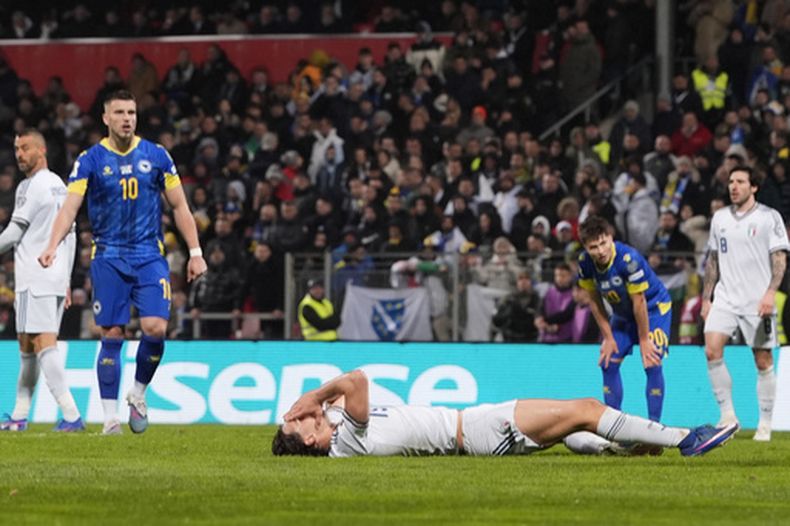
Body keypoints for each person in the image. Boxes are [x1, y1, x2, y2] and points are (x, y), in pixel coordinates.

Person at [38, 90, 207, 435]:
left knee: (156, 329)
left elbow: (179, 207)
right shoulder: (89, 160)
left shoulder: (157, 156)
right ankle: (110, 418)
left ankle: (139, 393)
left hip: (149, 255)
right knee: (112, 333)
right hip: (109, 255)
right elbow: (70, 207)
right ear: (106, 118)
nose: (127, 118)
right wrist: (52, 245)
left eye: (131, 112)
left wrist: (195, 252)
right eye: (119, 112)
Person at [271, 370, 738, 458]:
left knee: (573, 424)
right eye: (298, 420)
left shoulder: (340, 433)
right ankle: (684, 440)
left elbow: (343, 397)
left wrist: (319, 406)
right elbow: (354, 380)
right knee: (586, 408)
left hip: (472, 428)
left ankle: (623, 448)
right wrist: (315, 394)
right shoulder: (347, 439)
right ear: (311, 438)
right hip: (474, 430)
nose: (302, 412)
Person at [0, 129, 83, 432]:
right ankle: (20, 416)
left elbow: (13, 233)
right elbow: (71, 235)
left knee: (43, 343)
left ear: (41, 151)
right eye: (16, 148)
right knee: (27, 346)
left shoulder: (30, 186)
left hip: (34, 276)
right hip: (54, 276)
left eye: (25, 148)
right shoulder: (59, 186)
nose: (19, 154)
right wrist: (67, 277)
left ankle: (72, 414)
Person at [701, 166, 789, 442]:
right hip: (726, 298)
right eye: (730, 182)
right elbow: (713, 261)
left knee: (762, 360)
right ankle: (728, 416)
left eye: (740, 182)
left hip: (757, 301)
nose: (733, 186)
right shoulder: (720, 218)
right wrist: (707, 298)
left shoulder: (768, 217)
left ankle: (764, 423)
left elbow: (780, 260)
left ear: (754, 187)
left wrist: (769, 294)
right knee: (711, 350)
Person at [577, 216, 672, 422]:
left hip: (654, 309)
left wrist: (645, 340)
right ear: (585, 247)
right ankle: (614, 427)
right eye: (594, 247)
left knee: (651, 361)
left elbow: (639, 302)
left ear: (611, 237)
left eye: (603, 243)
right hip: (623, 315)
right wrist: (608, 337)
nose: (601, 251)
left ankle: (654, 428)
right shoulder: (585, 264)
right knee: (608, 362)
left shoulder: (629, 260)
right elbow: (594, 302)